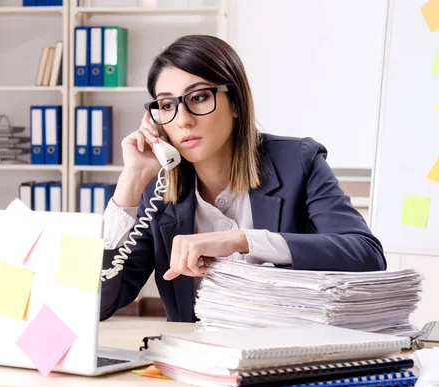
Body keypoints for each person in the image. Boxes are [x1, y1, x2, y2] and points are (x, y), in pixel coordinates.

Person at [99, 35, 386, 322]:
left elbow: (367, 256)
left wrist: (242, 241)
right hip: (200, 360)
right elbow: (97, 305)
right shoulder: (159, 191)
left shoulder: (297, 162)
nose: (182, 119)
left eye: (198, 98)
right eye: (166, 105)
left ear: (235, 103)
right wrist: (132, 179)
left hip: (287, 355)